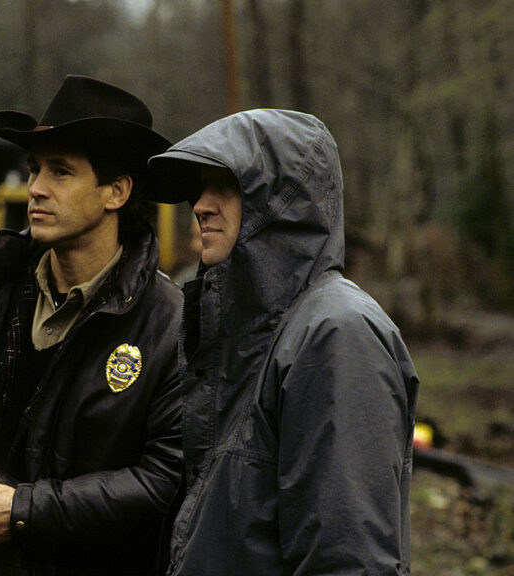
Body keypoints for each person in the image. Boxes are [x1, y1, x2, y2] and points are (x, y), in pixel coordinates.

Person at [148, 109, 419, 575]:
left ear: (283, 201)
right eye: (199, 188)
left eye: (226, 187)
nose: (200, 205)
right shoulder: (243, 334)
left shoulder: (336, 334)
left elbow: (347, 558)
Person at [0, 74, 183, 576]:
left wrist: (22, 510)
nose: (36, 189)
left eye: (61, 172)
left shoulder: (166, 321)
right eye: (34, 169)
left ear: (116, 191)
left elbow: (167, 478)